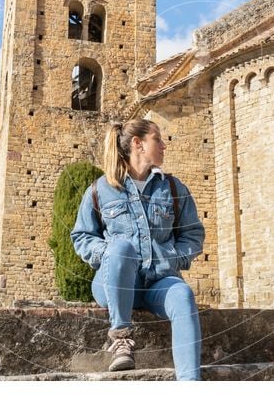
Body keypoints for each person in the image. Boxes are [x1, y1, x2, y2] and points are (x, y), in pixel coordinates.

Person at [71, 119, 206, 380]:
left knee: (183, 295)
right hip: (115, 285)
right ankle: (121, 337)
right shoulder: (101, 189)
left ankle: (191, 385)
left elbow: (192, 234)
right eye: (158, 139)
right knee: (121, 248)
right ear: (138, 144)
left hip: (159, 282)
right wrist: (110, 255)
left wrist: (174, 258)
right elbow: (82, 236)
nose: (164, 145)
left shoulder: (174, 188)